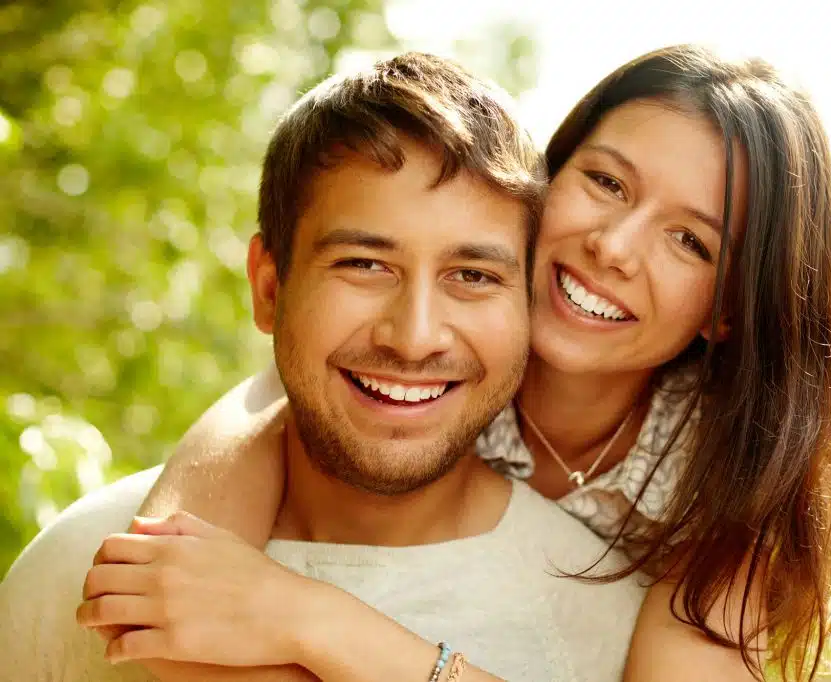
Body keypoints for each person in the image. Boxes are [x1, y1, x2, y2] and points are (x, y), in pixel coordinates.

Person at [111, 44, 831, 681]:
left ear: (732, 309)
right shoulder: (419, 353)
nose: (613, 246)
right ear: (540, 185)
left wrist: (316, 620)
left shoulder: (732, 492)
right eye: (605, 183)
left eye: (690, 241)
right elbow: (162, 584)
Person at [0, 52, 647, 682]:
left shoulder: (609, 628)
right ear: (269, 288)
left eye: (472, 276)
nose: (415, 337)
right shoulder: (71, 568)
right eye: (365, 265)